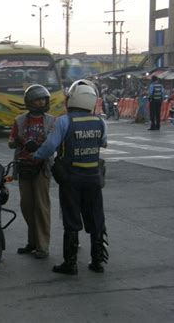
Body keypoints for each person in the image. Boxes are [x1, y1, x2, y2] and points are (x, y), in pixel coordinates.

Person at [33, 79, 109, 275]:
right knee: (96, 218)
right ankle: (98, 261)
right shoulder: (100, 121)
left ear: (71, 99)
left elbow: (50, 147)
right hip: (93, 177)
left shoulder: (64, 121)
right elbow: (104, 143)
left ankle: (71, 263)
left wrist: (36, 156)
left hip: (71, 178)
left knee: (71, 219)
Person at [8, 84, 55, 259]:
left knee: (41, 207)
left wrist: (40, 146)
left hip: (42, 168)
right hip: (24, 167)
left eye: (43, 99)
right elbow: (10, 141)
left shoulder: (51, 121)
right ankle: (32, 241)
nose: (41, 102)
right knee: (27, 206)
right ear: (29, 102)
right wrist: (20, 142)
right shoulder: (19, 120)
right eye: (38, 99)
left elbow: (54, 143)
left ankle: (43, 246)